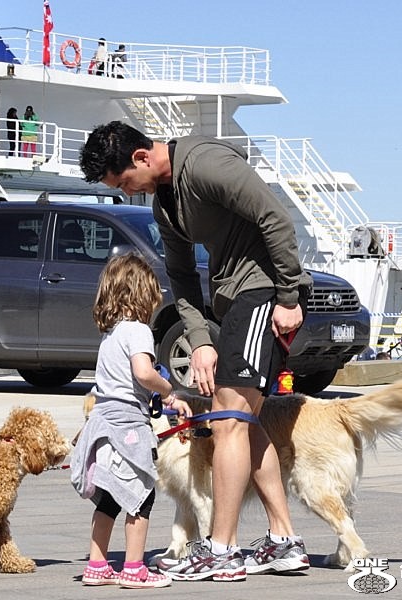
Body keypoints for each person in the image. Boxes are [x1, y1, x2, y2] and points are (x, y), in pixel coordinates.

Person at [79, 121, 312, 581]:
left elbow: (275, 218)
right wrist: (200, 340)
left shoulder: (206, 164)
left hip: (262, 291)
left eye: (124, 182)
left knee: (228, 420)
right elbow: (182, 276)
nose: (126, 192)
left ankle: (221, 549)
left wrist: (288, 297)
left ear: (142, 157)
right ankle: (283, 540)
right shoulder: (165, 204)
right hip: (236, 298)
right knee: (244, 420)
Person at [70, 253, 193, 589]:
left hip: (104, 420)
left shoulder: (111, 335)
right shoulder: (138, 331)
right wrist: (167, 389)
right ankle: (134, 568)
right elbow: (143, 373)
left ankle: (97, 565)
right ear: (141, 295)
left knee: (110, 497)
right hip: (128, 426)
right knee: (141, 497)